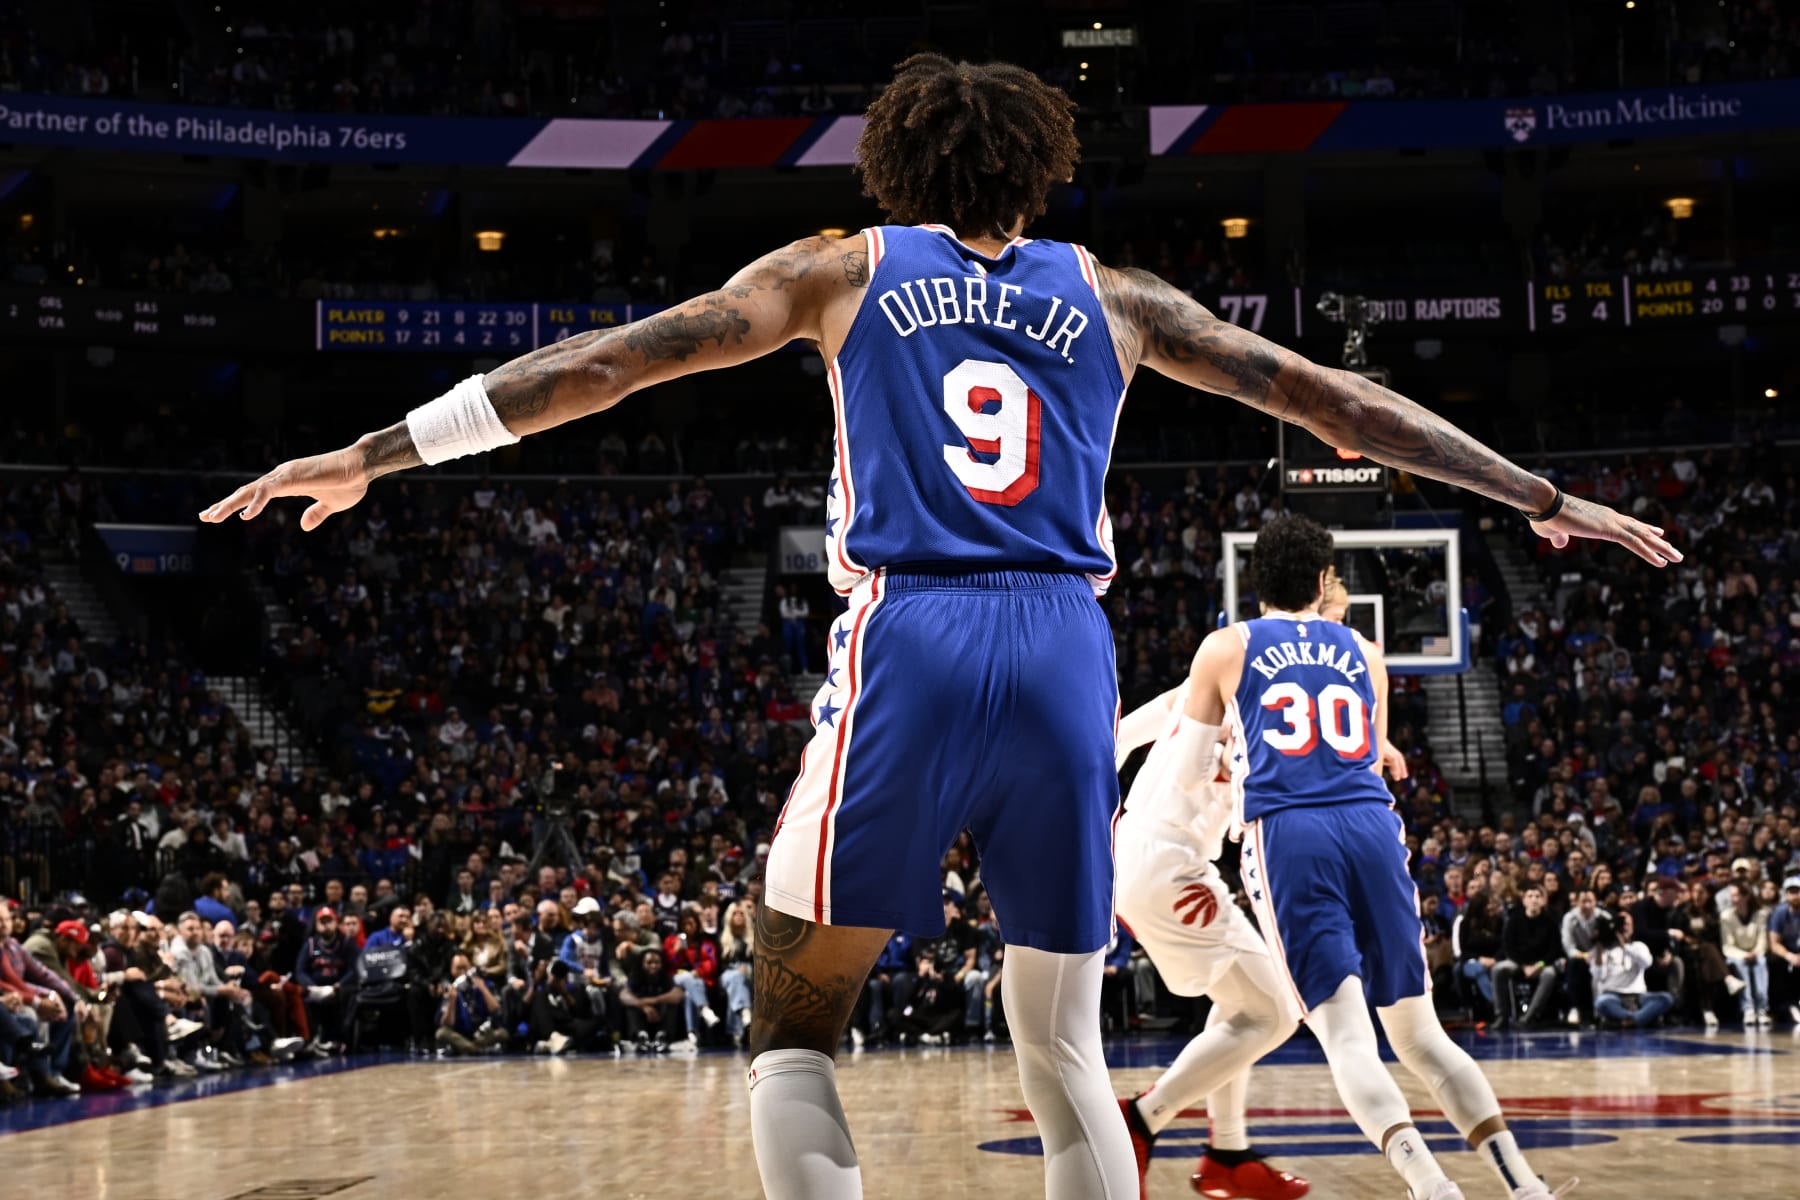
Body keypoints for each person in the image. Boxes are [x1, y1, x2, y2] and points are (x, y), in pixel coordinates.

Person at [201, 53, 1677, 1199]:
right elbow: (1336, 403)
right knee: (1067, 1050)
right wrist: (1536, 494)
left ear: (891, 168)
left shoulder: (838, 271)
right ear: (1038, 176)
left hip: (912, 632)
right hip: (1064, 649)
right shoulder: (1115, 295)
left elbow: (609, 368)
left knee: (796, 1023)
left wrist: (378, 452)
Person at [1185, 514, 1577, 1200]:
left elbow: (1192, 769)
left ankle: (1430, 1186)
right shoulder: (1366, 654)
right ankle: (1522, 1185)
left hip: (1291, 834)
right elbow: (1367, 752)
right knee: (1422, 1034)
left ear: (1254, 581)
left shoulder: (1225, 647)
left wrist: (1227, 752)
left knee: (1345, 1033)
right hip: (1371, 826)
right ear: (1320, 582)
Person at [1111, 653, 1311, 1200]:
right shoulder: (1283, 709)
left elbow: (1120, 737)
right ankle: (1142, 1118)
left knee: (1245, 998)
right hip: (1169, 861)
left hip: (1145, 848)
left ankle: (1227, 1153)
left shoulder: (1213, 675)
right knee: (1275, 1012)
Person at [1592, 911, 1673, 1028]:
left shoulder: (1638, 946)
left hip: (1638, 997)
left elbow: (1647, 962)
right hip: (1614, 996)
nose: (1625, 928)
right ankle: (1640, 1018)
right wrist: (1599, 948)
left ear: (1633, 927)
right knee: (1601, 1002)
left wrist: (1625, 947)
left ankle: (1626, 1022)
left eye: (1628, 924)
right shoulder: (1606, 950)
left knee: (1665, 998)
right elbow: (1598, 976)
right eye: (1621, 924)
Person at [1720, 882, 1771, 1027]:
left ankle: (1762, 1008)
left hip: (1756, 952)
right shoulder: (1726, 916)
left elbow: (1762, 940)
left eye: (1736, 895)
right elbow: (1727, 946)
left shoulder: (1761, 914)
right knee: (1741, 964)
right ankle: (1748, 1009)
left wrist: (1756, 952)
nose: (1733, 899)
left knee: (1761, 963)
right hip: (1736, 954)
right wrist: (1743, 955)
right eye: (1732, 896)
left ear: (1746, 896)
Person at [1769, 878, 1800, 1027]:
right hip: (1787, 951)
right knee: (1774, 961)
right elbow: (1774, 943)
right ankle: (1786, 1007)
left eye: (1798, 891)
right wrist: (1790, 956)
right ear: (1786, 894)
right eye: (1791, 892)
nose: (1795, 895)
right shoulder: (1780, 913)